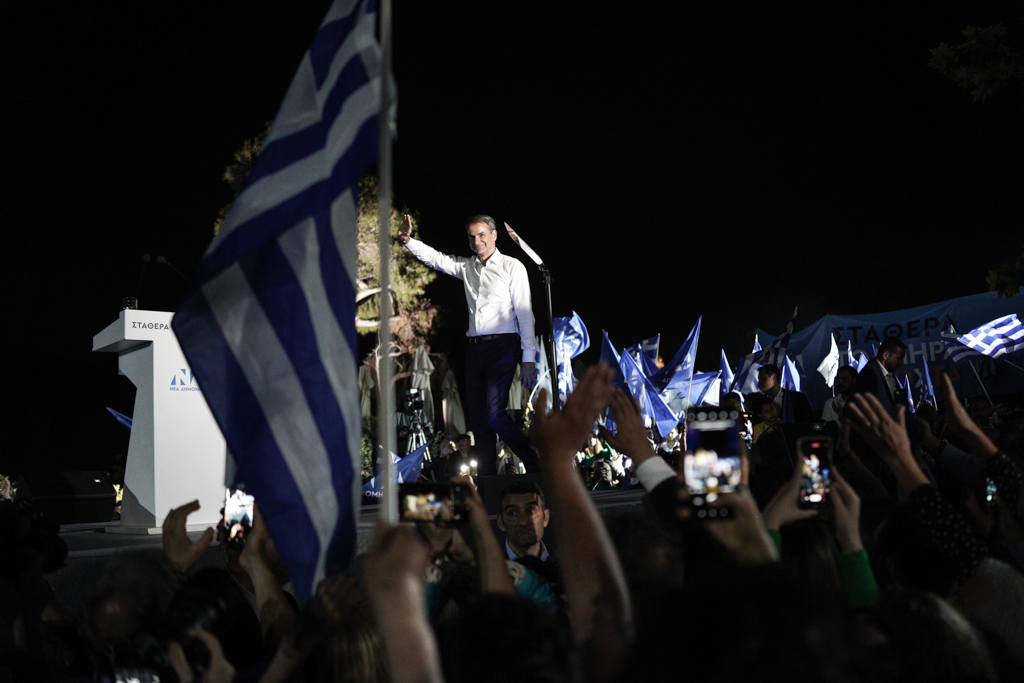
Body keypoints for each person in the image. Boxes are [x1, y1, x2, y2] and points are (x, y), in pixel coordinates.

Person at [399, 214, 538, 475]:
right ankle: (486, 481)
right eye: (472, 237)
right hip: (475, 349)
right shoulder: (468, 267)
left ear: (494, 234)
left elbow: (525, 314)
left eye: (482, 234)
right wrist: (408, 241)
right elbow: (437, 259)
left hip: (504, 346)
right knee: (478, 421)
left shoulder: (512, 267)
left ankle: (534, 463)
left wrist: (528, 358)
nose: (477, 241)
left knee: (494, 414)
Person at [496, 479, 551, 563]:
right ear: (501, 522)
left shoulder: (566, 563)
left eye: (531, 511)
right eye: (513, 513)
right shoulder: (484, 567)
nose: (523, 522)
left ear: (545, 517)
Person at [854, 336, 907, 418]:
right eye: (898, 358)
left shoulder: (889, 372)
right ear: (885, 355)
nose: (902, 362)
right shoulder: (869, 374)